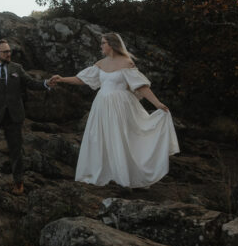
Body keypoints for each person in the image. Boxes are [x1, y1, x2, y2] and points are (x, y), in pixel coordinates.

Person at [50, 32, 179, 188]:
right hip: (102, 105)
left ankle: (123, 175)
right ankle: (106, 173)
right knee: (101, 137)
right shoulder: (100, 64)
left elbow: (141, 86)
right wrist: (62, 79)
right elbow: (81, 79)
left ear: (111, 45)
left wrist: (157, 104)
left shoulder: (126, 63)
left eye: (103, 43)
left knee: (120, 137)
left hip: (120, 106)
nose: (101, 46)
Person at [0, 39, 53, 195]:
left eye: (10, 51)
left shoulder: (17, 68)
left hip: (13, 115)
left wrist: (46, 84)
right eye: (5, 52)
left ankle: (18, 182)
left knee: (16, 149)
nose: (9, 54)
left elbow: (30, 83)